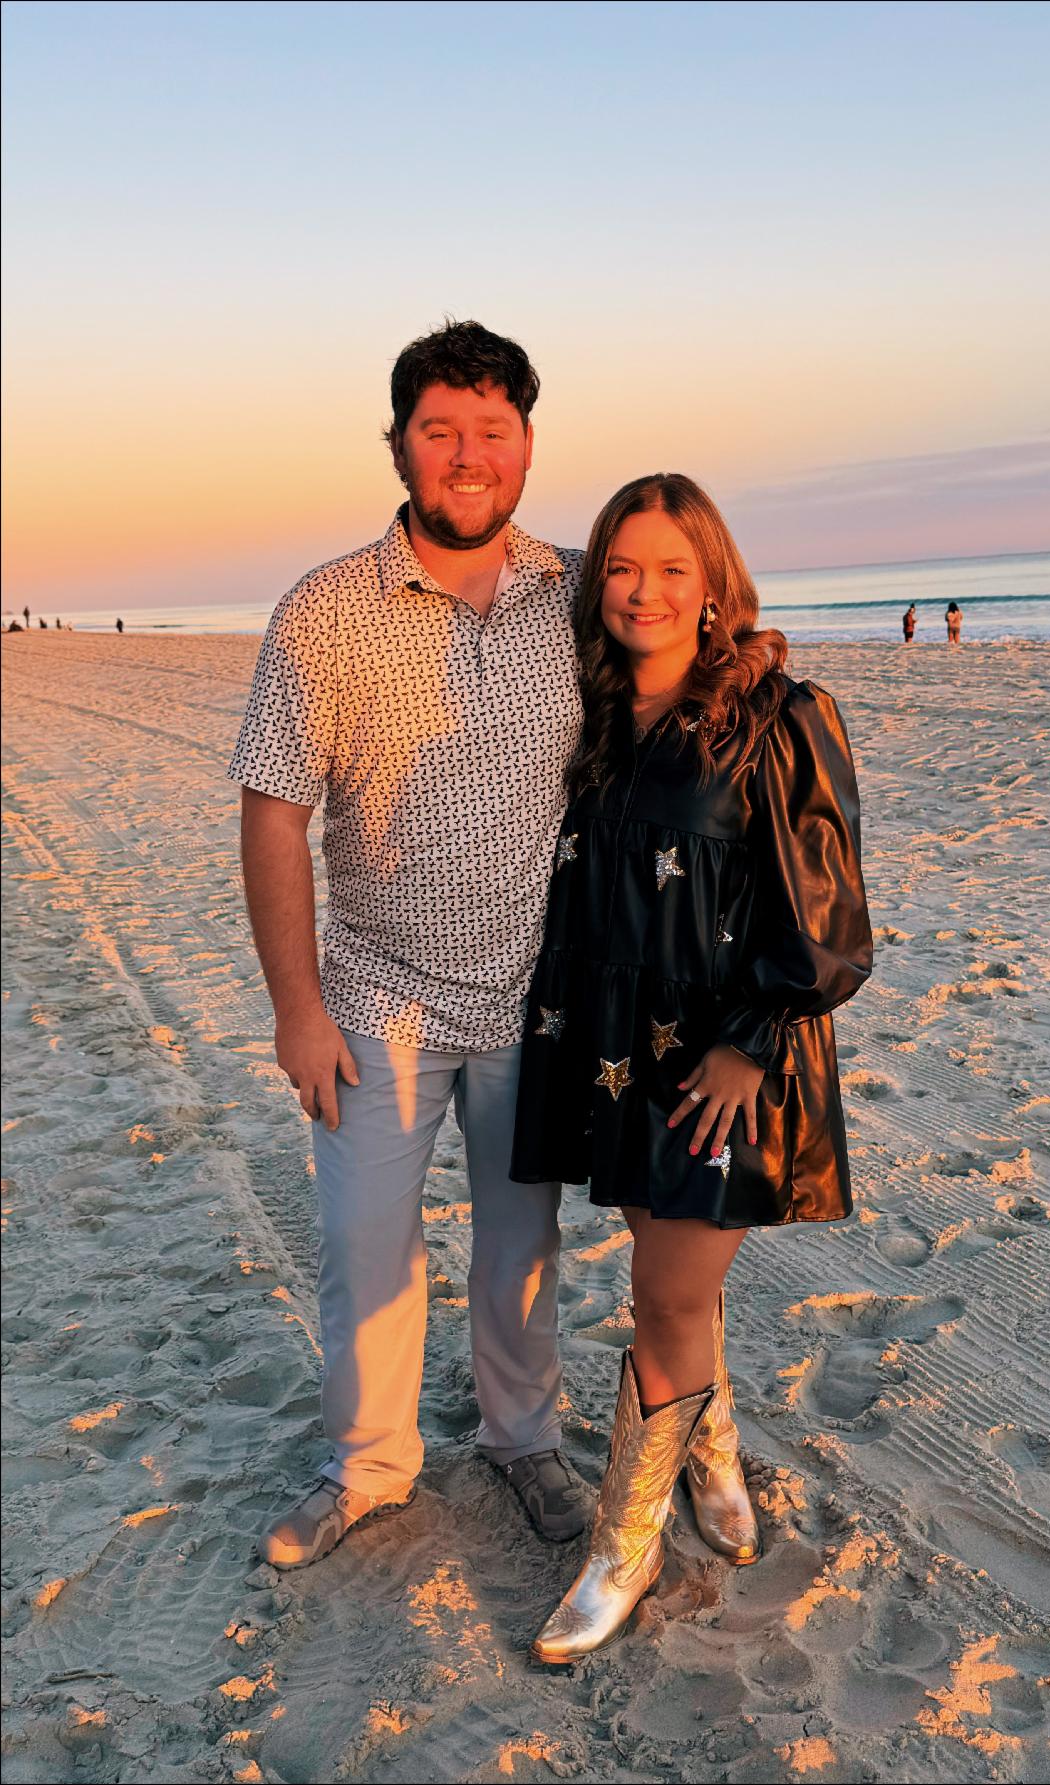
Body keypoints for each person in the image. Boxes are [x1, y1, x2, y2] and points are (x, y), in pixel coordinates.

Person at [229, 320, 593, 1571]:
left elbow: (684, 688)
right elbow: (274, 809)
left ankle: (523, 1439)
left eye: (493, 430)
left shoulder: (578, 595)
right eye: (440, 430)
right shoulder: (327, 609)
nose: (467, 454)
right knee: (366, 1245)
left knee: (520, 1246)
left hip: (537, 996)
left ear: (529, 444)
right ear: (398, 446)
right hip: (377, 995)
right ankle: (371, 1466)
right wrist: (296, 1008)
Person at [510, 474, 872, 1662]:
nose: (645, 591)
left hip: (728, 1059)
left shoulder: (777, 712)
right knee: (677, 1285)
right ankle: (709, 1448)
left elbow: (827, 917)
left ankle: (625, 1543)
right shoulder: (603, 722)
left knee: (661, 1295)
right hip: (619, 1052)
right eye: (622, 567)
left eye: (673, 568)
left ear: (714, 581)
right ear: (596, 584)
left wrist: (746, 1046)